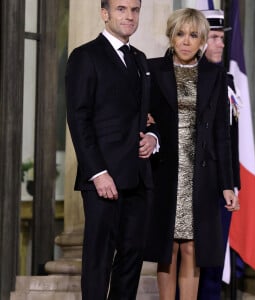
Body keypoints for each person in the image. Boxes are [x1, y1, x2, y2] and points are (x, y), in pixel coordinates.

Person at [143, 8, 239, 300]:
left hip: (202, 174)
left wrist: (227, 184)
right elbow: (139, 115)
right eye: (180, 34)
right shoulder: (151, 69)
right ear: (171, 37)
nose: (186, 41)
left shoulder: (215, 75)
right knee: (167, 247)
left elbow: (221, 134)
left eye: (193, 35)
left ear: (203, 41)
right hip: (164, 172)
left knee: (191, 247)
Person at [65, 0, 158, 299]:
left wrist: (154, 138)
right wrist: (97, 172)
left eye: (134, 10)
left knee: (131, 258)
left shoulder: (141, 60)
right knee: (99, 259)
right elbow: (78, 118)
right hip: (103, 179)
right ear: (104, 14)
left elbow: (149, 116)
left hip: (138, 177)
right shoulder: (84, 57)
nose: (129, 16)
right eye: (121, 9)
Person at [197, 9, 241, 300]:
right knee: (191, 260)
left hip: (222, 183)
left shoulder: (226, 80)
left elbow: (229, 137)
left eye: (221, 38)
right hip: (197, 182)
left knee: (213, 261)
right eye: (214, 37)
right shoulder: (189, 79)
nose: (221, 44)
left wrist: (232, 182)